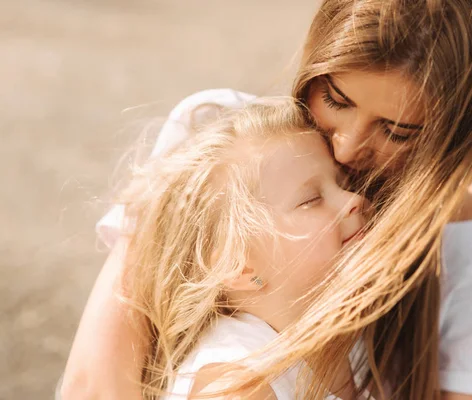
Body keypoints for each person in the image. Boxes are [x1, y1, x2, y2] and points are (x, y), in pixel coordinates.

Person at [62, 1, 472, 399]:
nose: (347, 148)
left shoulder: (471, 244)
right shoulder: (228, 143)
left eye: (396, 131)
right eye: (337, 99)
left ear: (458, 136)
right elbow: (95, 383)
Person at [115, 98, 378, 399]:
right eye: (310, 200)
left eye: (343, 183)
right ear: (240, 266)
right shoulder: (236, 386)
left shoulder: (352, 337)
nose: (352, 199)